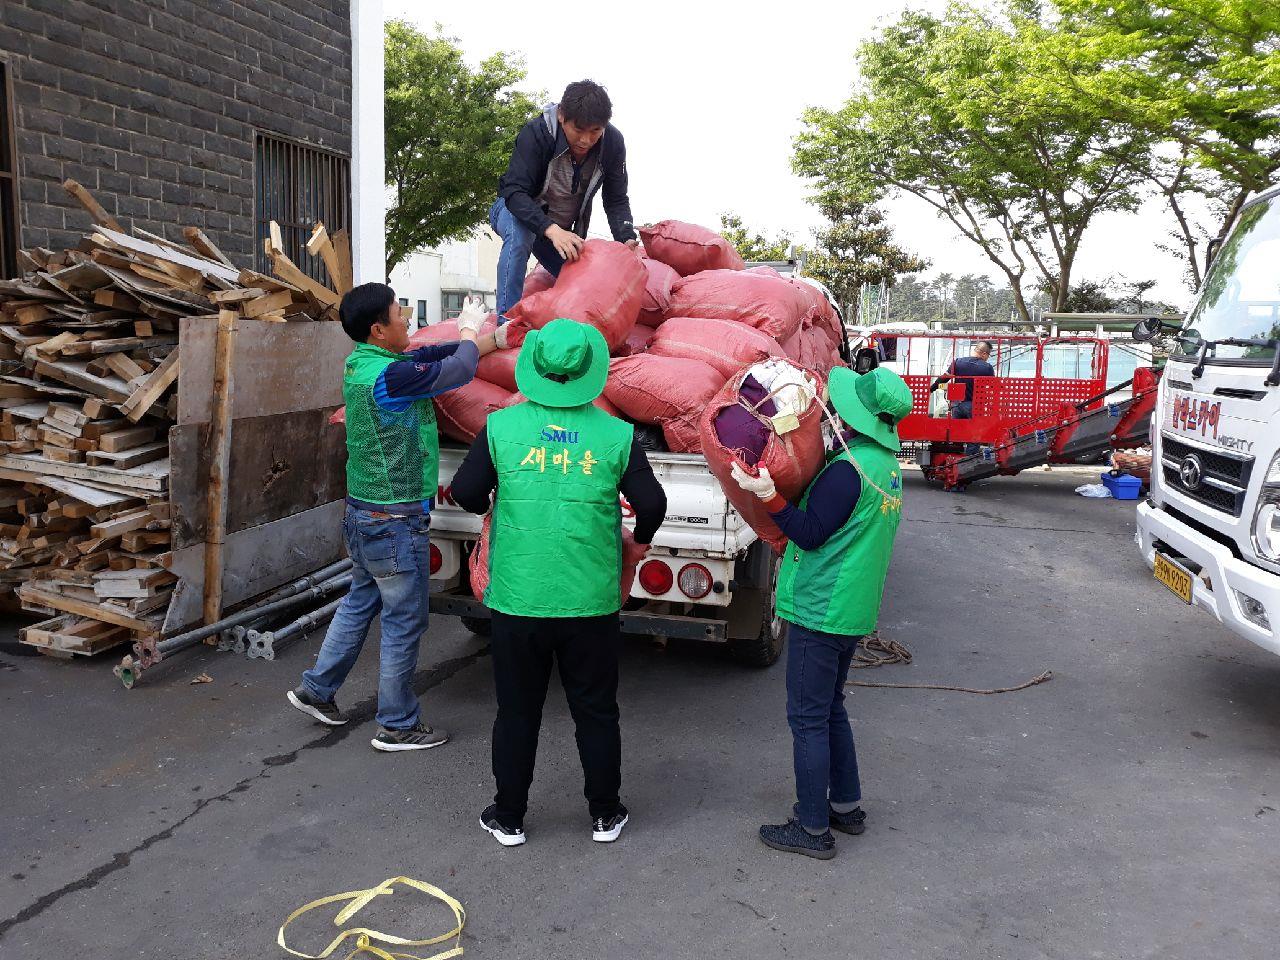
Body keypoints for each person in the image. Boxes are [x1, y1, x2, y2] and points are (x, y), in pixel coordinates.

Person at [451, 318, 666, 847]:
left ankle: (508, 816)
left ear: (535, 370)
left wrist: (495, 503)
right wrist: (636, 543)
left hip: (519, 598)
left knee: (517, 710)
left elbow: (468, 491)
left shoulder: (502, 428)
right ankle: (604, 813)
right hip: (590, 601)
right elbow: (654, 504)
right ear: (590, 370)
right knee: (595, 709)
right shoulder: (616, 435)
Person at [286, 284, 498, 752]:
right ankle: (397, 724)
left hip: (364, 513)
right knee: (404, 621)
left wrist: (490, 341)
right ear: (378, 330)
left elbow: (435, 355)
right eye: (398, 315)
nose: (407, 320)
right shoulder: (391, 378)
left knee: (361, 601)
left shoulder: (364, 364)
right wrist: (467, 329)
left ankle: (316, 689)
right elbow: (457, 369)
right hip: (395, 521)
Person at [731, 366, 913, 860]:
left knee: (808, 717)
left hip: (822, 607)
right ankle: (846, 807)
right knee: (831, 707)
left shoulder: (848, 470)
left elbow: (809, 533)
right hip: (851, 607)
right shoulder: (886, 466)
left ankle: (811, 828)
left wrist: (769, 496)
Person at [490, 80, 639, 320]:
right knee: (520, 235)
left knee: (585, 279)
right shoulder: (537, 133)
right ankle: (505, 321)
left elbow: (616, 199)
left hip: (559, 232)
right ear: (561, 116)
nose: (585, 140)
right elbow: (514, 192)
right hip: (513, 212)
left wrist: (626, 237)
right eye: (578, 130)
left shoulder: (612, 144)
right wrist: (549, 228)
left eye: (595, 132)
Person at [929, 340, 995, 420]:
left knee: (956, 430)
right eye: (989, 355)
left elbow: (944, 378)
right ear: (984, 354)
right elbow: (993, 387)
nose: (988, 358)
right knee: (973, 431)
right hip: (974, 406)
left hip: (956, 406)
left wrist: (931, 389)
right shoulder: (987, 367)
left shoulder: (957, 362)